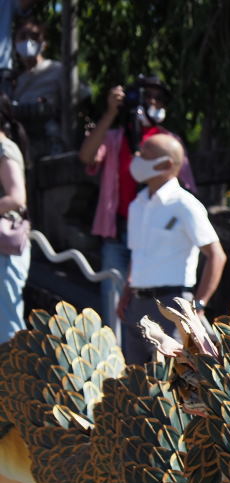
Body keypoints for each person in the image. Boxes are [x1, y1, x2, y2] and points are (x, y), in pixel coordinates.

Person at [78, 75, 196, 286]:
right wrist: (111, 112)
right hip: (118, 233)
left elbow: (186, 187)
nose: (152, 101)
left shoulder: (170, 142)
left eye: (158, 98)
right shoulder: (116, 137)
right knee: (114, 302)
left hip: (155, 236)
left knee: (149, 304)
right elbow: (87, 156)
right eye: (146, 95)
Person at [121, 132, 225, 363]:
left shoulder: (184, 204)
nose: (136, 157)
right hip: (138, 303)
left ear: (166, 163)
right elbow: (137, 255)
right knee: (138, 378)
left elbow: (216, 255)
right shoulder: (138, 204)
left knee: (176, 377)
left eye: (144, 154)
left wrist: (199, 304)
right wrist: (126, 292)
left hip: (173, 302)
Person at [11, 19, 70, 156]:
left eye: (34, 36)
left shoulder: (57, 70)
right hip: (24, 147)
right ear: (15, 42)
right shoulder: (15, 81)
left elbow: (80, 104)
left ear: (44, 43)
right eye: (23, 36)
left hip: (52, 147)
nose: (28, 41)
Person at [0, 96, 29, 343]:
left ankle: (9, 380)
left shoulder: (5, 149)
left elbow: (17, 198)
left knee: (6, 322)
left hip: (5, 250)